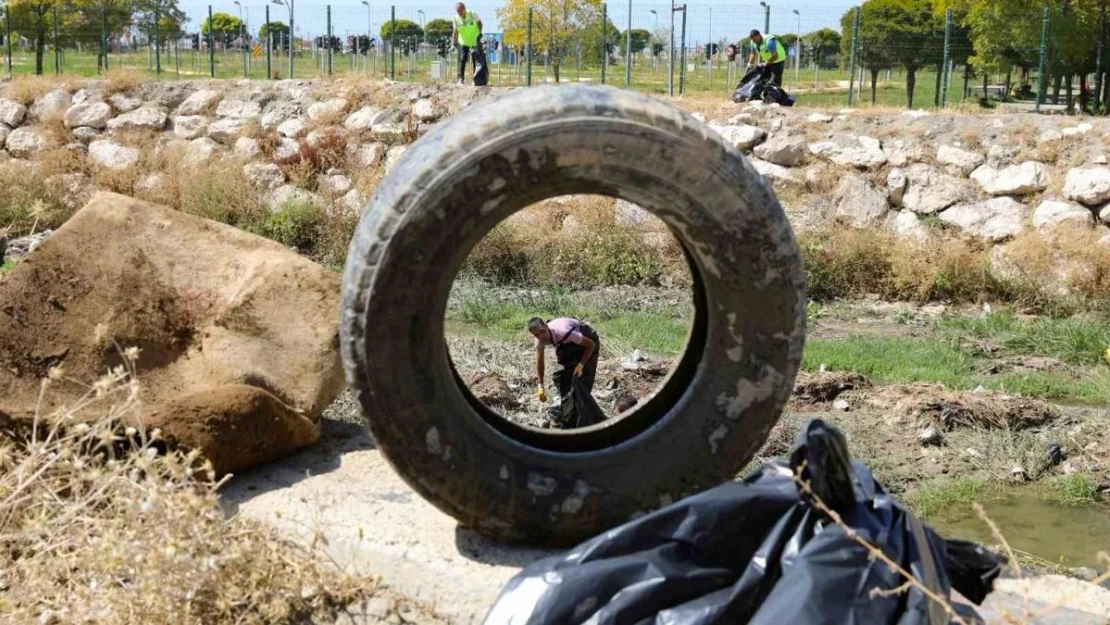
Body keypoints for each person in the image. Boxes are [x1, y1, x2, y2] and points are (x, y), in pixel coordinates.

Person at [528, 317, 600, 426]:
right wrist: (540, 386)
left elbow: (591, 345)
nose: (541, 336)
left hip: (587, 339)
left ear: (547, 327)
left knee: (583, 381)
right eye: (537, 335)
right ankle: (569, 412)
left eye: (542, 331)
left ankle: (584, 418)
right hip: (567, 343)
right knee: (564, 378)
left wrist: (581, 364)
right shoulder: (540, 341)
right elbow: (540, 362)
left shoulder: (564, 332)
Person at [451, 2, 484, 85]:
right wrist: (452, 44)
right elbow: (455, 32)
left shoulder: (472, 14)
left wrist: (480, 33)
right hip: (463, 41)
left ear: (464, 9)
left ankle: (475, 80)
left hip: (474, 39)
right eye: (457, 11)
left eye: (461, 10)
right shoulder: (455, 18)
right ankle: (460, 79)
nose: (459, 13)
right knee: (463, 59)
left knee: (475, 59)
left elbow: (480, 23)